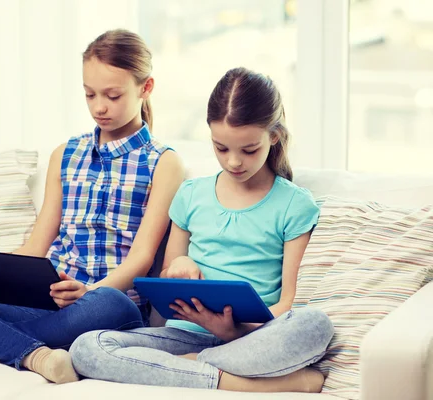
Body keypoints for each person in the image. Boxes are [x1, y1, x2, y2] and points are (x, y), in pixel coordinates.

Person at [0, 29, 185, 384]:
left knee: (111, 305)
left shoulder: (163, 162)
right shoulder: (66, 154)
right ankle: (37, 355)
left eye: (112, 95)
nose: (99, 106)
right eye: (89, 94)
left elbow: (141, 258)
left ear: (145, 88)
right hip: (46, 298)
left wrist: (90, 291)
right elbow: (37, 246)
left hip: (105, 303)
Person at [70, 67, 335, 393]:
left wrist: (232, 331)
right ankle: (237, 381)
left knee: (315, 326)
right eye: (221, 148)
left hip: (253, 337)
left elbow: (288, 303)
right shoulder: (192, 194)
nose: (234, 162)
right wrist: (179, 267)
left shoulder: (295, 204)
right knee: (88, 347)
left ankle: (191, 367)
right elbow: (168, 277)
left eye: (248, 150)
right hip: (185, 333)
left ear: (274, 136)